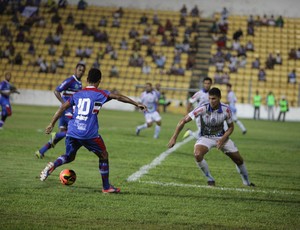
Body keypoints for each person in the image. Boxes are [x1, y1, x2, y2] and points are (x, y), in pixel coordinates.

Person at [39, 68, 146, 193]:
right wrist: (136, 103)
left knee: (69, 156)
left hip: (73, 130)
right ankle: (106, 187)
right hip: (89, 133)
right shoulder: (100, 94)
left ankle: (53, 165)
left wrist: (51, 123)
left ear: (87, 79)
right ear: (99, 81)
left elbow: (63, 107)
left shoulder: (77, 94)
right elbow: (118, 97)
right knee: (104, 155)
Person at [167, 87, 255, 187]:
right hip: (206, 137)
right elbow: (183, 121)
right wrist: (174, 137)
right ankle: (210, 179)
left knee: (238, 160)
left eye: (214, 99)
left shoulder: (226, 110)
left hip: (222, 137)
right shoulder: (202, 108)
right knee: (197, 154)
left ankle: (247, 183)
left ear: (219, 98)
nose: (211, 101)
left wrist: (222, 139)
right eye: (210, 98)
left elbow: (231, 127)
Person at [35, 63, 86, 158]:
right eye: (79, 70)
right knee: (74, 131)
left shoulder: (79, 83)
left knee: (61, 135)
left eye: (83, 71)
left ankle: (41, 151)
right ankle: (64, 148)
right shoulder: (70, 80)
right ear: (75, 69)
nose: (81, 72)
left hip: (69, 111)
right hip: (67, 111)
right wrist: (64, 104)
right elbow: (56, 91)